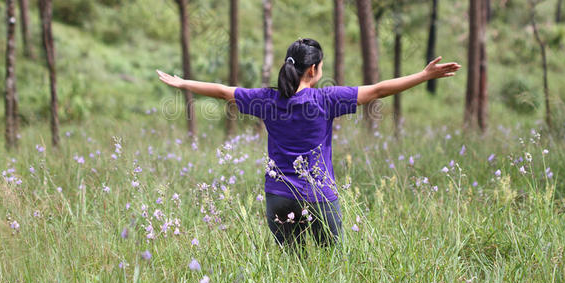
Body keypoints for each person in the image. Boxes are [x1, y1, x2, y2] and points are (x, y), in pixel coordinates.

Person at [156, 38, 460, 252]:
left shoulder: (266, 99)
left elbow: (223, 92)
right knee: (333, 265)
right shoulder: (327, 99)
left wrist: (183, 83)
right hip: (319, 197)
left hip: (278, 197)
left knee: (292, 271)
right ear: (313, 70)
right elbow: (379, 91)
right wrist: (424, 75)